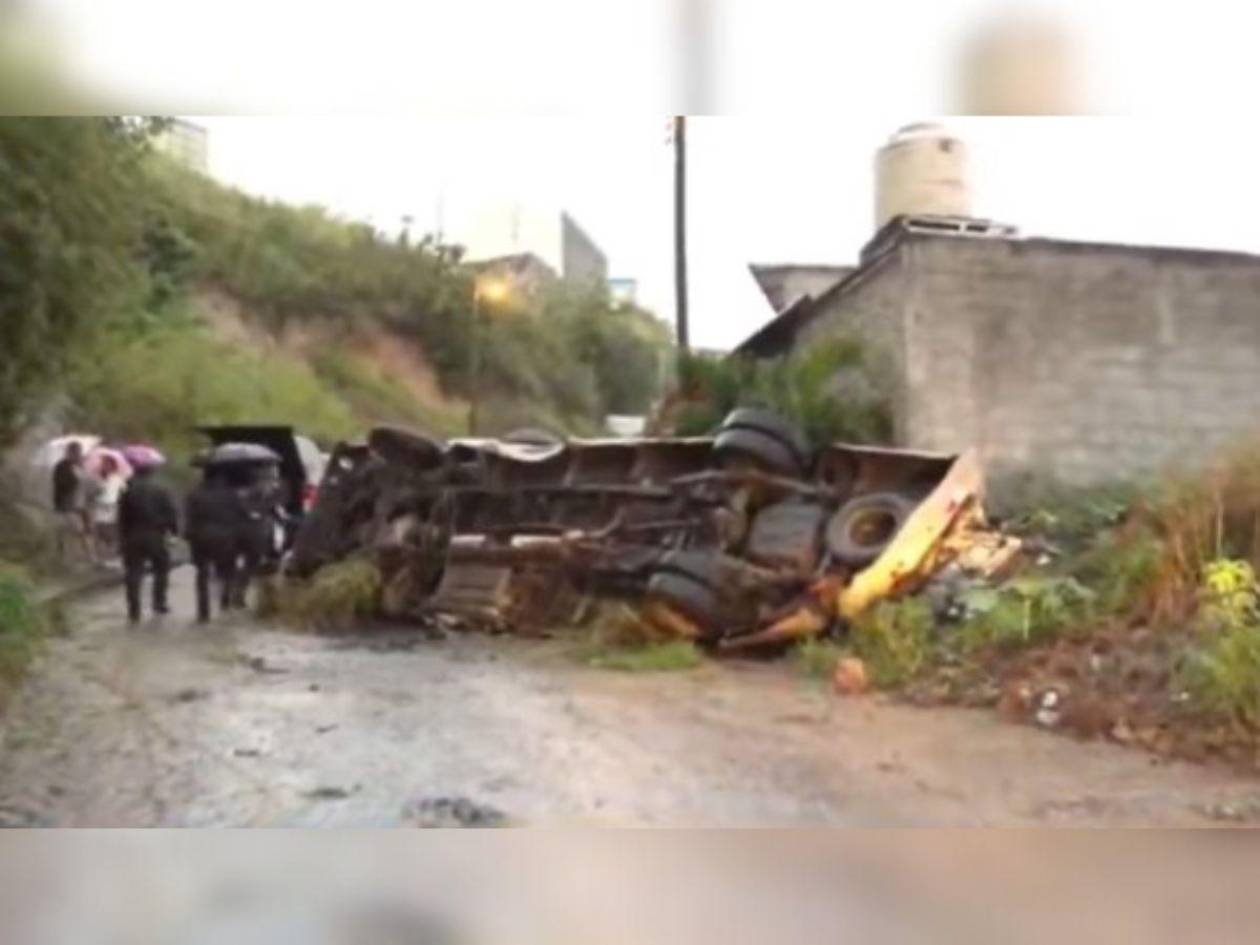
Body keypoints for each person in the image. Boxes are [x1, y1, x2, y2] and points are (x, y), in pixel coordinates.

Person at [117, 461, 178, 623]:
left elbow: (122, 518)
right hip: (155, 535)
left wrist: (122, 538)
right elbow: (171, 513)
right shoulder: (162, 491)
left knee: (133, 572)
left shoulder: (128, 492)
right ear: (152, 473)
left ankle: (134, 609)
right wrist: (173, 532)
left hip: (133, 536)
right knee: (162, 569)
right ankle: (159, 602)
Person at [185, 468, 246, 622]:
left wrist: (189, 536)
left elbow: (189, 518)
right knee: (227, 571)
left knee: (202, 574)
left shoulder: (195, 494)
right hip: (225, 538)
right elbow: (240, 517)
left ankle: (203, 611)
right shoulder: (232, 495)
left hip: (201, 538)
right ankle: (225, 599)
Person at [51, 442, 96, 566]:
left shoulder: (82, 467)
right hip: (67, 507)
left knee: (87, 532)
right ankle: (69, 561)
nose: (78, 456)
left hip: (83, 506)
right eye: (75, 453)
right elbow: (62, 485)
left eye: (79, 453)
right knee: (72, 533)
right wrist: (75, 475)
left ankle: (90, 559)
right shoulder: (62, 467)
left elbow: (90, 484)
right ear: (69, 453)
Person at [90, 454, 127, 560]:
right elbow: (91, 493)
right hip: (99, 507)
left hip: (112, 508)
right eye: (104, 463)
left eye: (108, 464)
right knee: (99, 531)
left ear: (113, 466)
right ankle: (101, 555)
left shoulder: (117, 478)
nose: (105, 466)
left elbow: (124, 491)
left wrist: (120, 502)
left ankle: (111, 553)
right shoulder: (96, 478)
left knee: (111, 532)